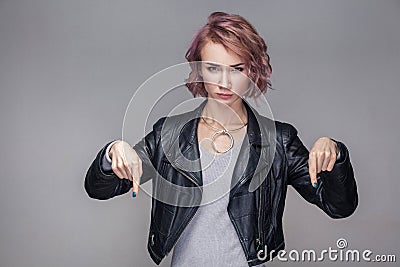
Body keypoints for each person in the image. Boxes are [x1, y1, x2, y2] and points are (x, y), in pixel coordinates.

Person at [84, 11, 358, 267]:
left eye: (236, 68)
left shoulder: (278, 141)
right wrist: (113, 153)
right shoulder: (169, 135)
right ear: (200, 70)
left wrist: (335, 154)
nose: (224, 82)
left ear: (252, 70)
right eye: (213, 68)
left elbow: (338, 207)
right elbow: (99, 189)